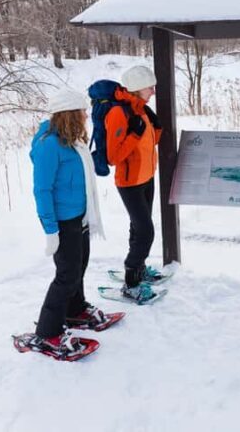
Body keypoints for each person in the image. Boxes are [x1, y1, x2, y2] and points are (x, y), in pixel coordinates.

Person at [29, 88, 106, 355]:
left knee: (79, 267)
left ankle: (75, 310)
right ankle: (48, 332)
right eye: (82, 111)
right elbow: (42, 190)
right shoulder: (49, 145)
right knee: (66, 275)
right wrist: (51, 229)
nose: (87, 115)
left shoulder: (73, 142)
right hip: (63, 222)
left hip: (80, 217)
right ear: (70, 115)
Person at [105, 66, 163, 302]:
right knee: (146, 231)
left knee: (138, 228)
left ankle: (140, 269)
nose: (153, 91)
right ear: (138, 87)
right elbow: (113, 156)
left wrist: (153, 127)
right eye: (151, 87)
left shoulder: (141, 110)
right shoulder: (119, 113)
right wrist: (135, 134)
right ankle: (131, 281)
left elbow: (149, 143)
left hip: (147, 177)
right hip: (129, 182)